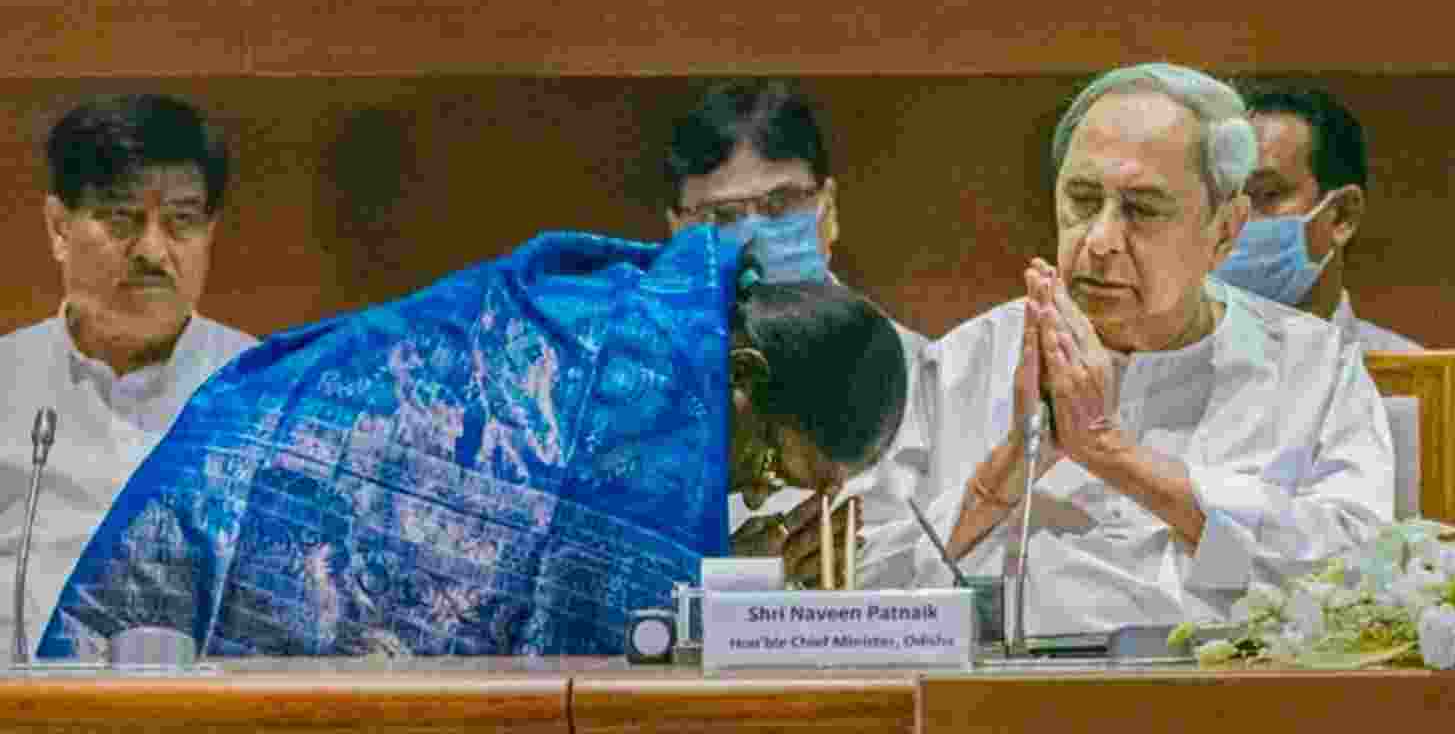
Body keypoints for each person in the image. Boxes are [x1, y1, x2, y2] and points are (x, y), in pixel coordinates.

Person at [36, 226, 907, 658]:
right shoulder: (647, 373)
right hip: (251, 493)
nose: (755, 494)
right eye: (767, 466)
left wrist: (723, 575)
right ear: (743, 375)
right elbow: (582, 610)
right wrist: (724, 586)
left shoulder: (665, 322)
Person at [907, 64, 1394, 638]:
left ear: (1226, 230)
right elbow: (871, 588)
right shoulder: (965, 360)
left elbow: (1356, 581)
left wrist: (1116, 457)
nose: (1100, 241)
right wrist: (1012, 466)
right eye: (1083, 201)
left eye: (1141, 209)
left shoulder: (1314, 368)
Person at [0, 94, 258, 661]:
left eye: (181, 221)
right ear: (59, 227)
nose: (152, 249)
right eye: (122, 218)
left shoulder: (259, 392)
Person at [661, 79, 929, 587]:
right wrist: (727, 580)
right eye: (722, 216)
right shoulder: (639, 381)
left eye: (781, 204)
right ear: (677, 230)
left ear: (828, 209)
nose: (754, 233)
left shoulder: (920, 373)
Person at [1213, 86, 1455, 533]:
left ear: (1342, 215)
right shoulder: (1159, 377)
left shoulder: (1441, 404)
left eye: (1266, 196)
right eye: (1222, 201)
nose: (1235, 223)